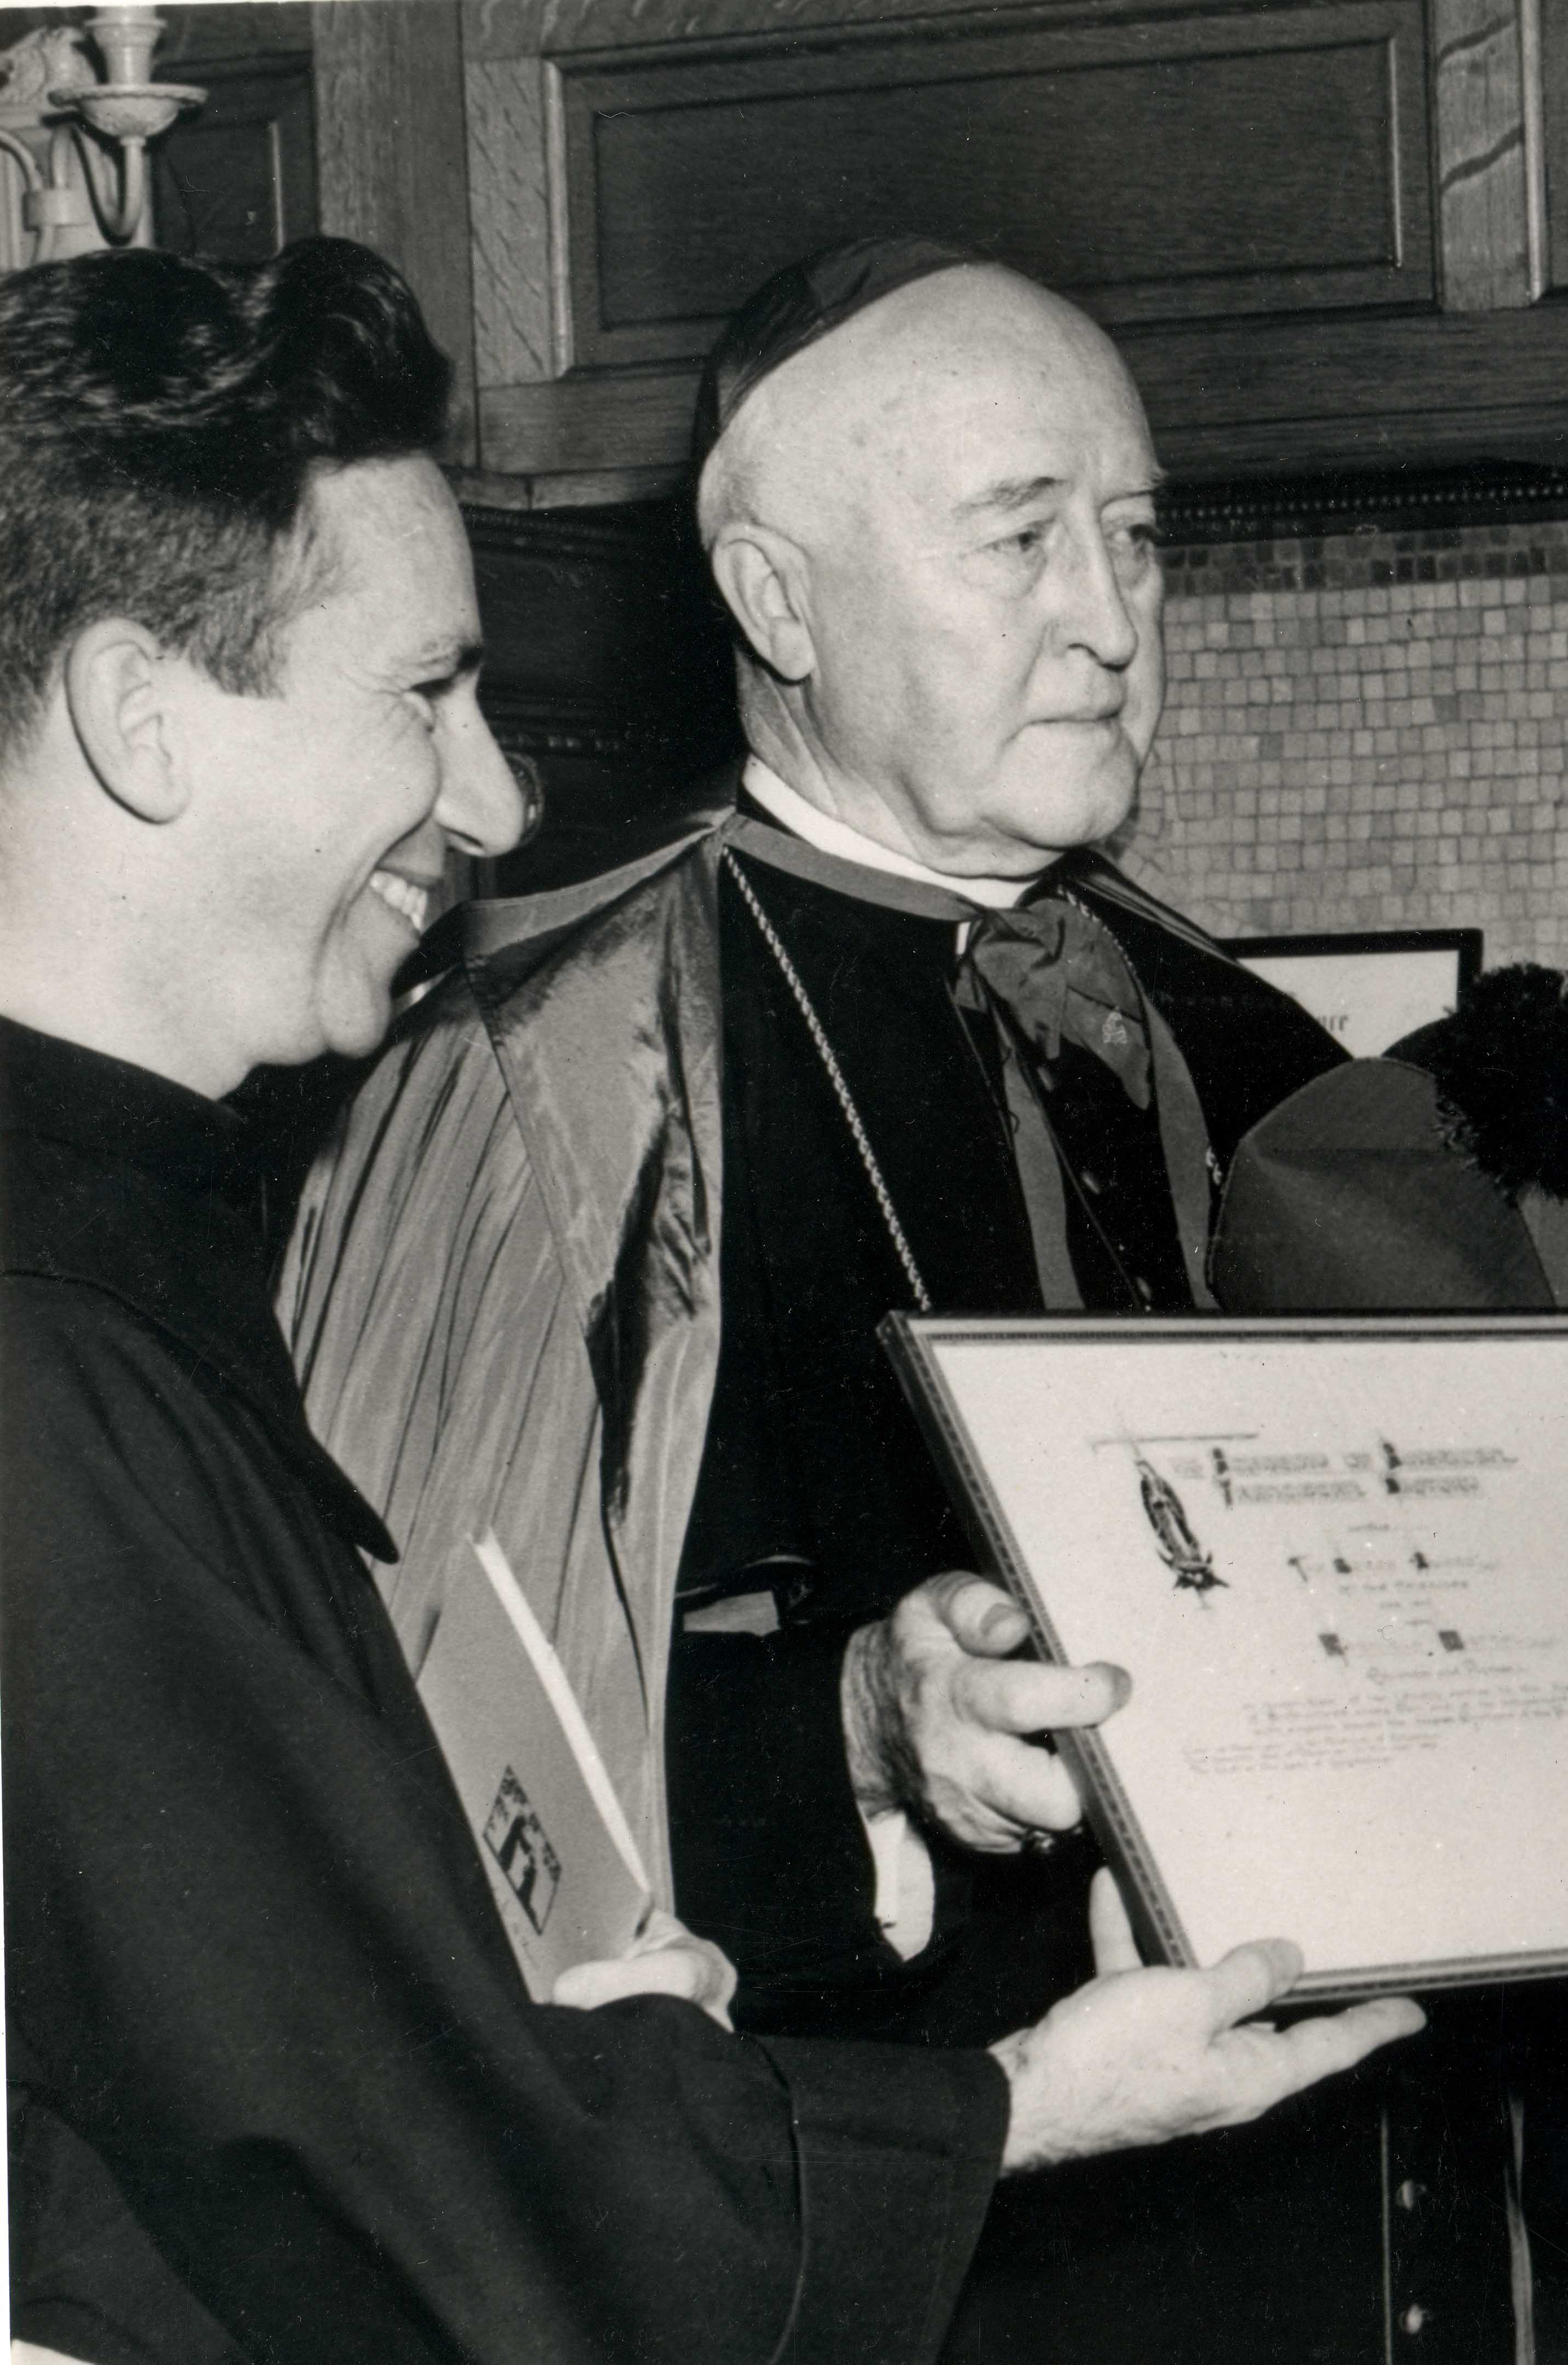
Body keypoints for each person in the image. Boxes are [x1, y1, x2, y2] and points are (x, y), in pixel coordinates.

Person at [0, 236, 1418, 2365]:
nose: (1113, 623)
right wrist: (852, 1736)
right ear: (772, 600)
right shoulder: (515, 1079)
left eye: (1138, 540)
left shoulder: (1248, 1052)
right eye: (1022, 538)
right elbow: (410, 1859)